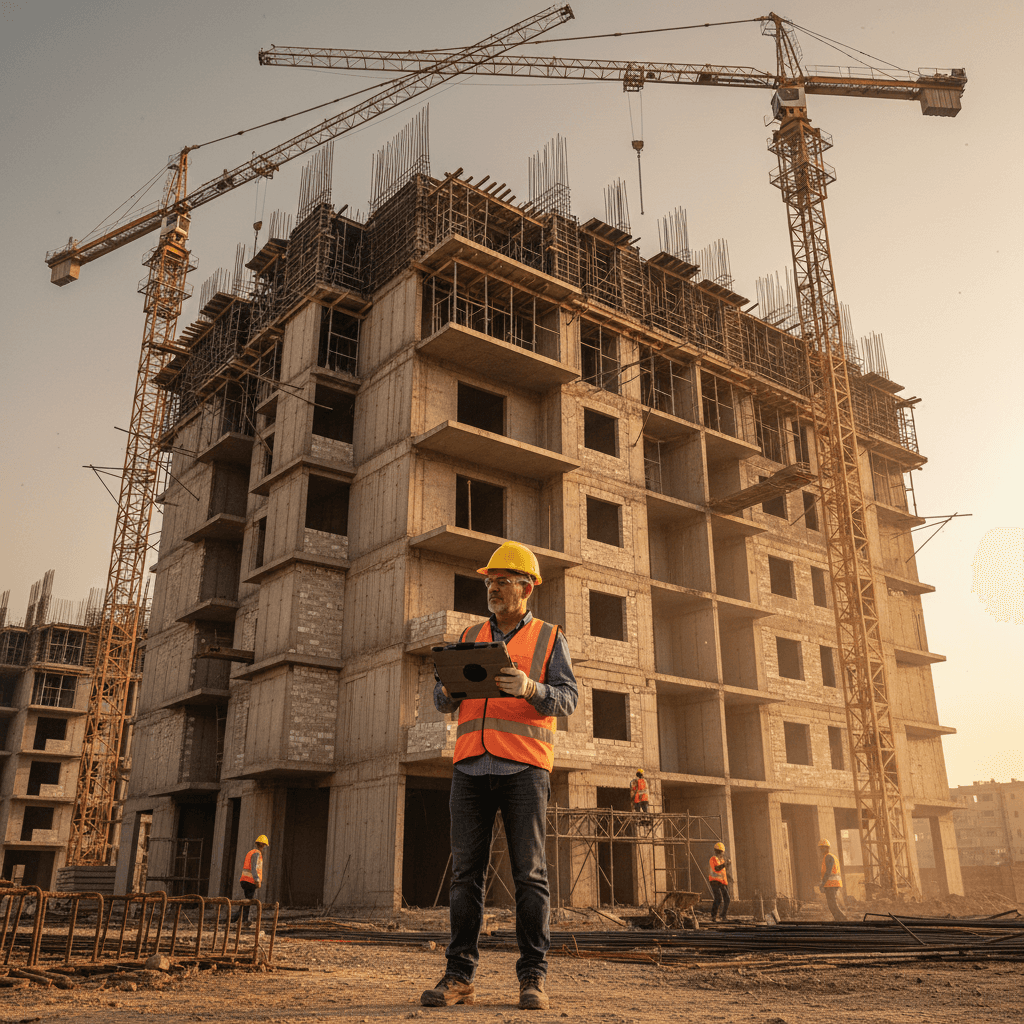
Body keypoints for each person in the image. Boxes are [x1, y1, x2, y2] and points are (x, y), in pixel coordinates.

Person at [421, 541, 578, 1012]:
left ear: (527, 588)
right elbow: (442, 700)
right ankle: (459, 977)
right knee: (465, 875)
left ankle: (533, 977)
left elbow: (568, 699)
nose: (493, 588)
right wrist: (446, 691)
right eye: (489, 581)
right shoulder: (469, 634)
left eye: (503, 580)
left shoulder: (550, 638)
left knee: (529, 875)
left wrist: (531, 689)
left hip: (523, 768)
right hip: (471, 765)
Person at [232, 834, 269, 926]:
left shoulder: (250, 852)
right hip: (250, 881)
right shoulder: (257, 853)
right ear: (262, 845)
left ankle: (236, 918)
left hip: (244, 880)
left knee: (247, 900)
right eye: (264, 845)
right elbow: (254, 868)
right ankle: (243, 920)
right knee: (249, 901)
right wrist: (257, 880)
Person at [817, 838, 847, 921]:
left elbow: (828, 872)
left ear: (826, 848)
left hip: (831, 884)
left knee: (832, 904)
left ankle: (842, 919)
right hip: (833, 883)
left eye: (822, 848)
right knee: (832, 904)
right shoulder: (832, 856)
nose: (820, 850)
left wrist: (822, 884)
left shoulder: (828, 857)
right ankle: (839, 919)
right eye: (820, 848)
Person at [708, 841, 731, 922]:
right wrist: (725, 864)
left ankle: (723, 916)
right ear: (721, 851)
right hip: (714, 881)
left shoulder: (721, 860)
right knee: (718, 898)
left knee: (727, 899)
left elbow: (723, 871)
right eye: (722, 852)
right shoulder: (713, 859)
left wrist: (729, 877)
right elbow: (716, 869)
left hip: (722, 882)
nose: (723, 853)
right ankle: (713, 916)